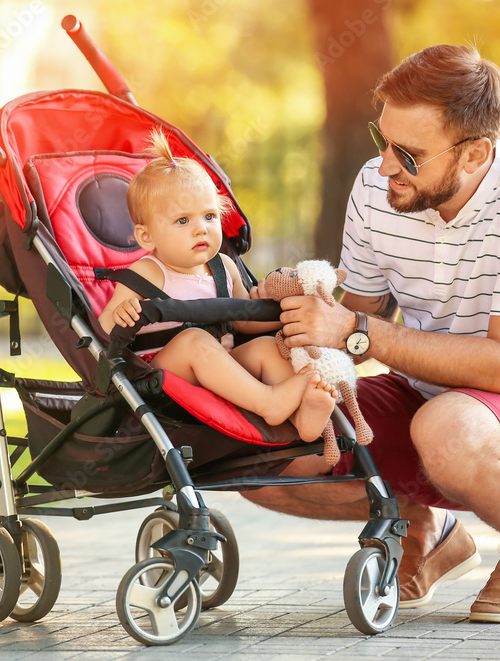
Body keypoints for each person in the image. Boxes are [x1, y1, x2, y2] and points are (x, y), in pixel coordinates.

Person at [242, 45, 500, 623]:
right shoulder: (376, 188)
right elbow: (353, 320)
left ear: (474, 155)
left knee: (446, 427)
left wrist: (356, 330)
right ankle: (427, 526)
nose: (387, 166)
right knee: (255, 447)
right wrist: (300, 309)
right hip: (426, 400)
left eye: (409, 155)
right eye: (382, 141)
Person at [98, 130, 338, 441]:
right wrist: (122, 312)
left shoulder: (223, 266)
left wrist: (272, 306)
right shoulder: (147, 272)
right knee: (193, 340)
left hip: (221, 371)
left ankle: (301, 416)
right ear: (146, 237)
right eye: (183, 221)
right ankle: (269, 402)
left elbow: (242, 319)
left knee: (266, 347)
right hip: (160, 379)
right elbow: (103, 331)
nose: (201, 229)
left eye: (209, 216)